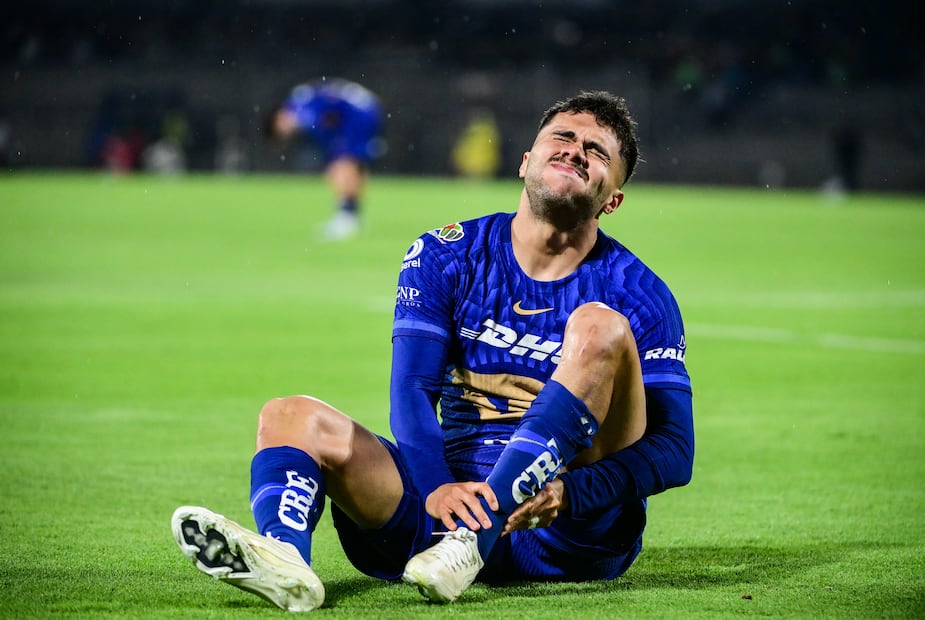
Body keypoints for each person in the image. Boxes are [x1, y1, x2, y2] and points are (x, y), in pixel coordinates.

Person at [172, 90, 694, 612]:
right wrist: (438, 488)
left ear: (613, 200)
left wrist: (572, 494)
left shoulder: (639, 292)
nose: (575, 151)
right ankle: (285, 560)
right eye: (562, 137)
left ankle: (476, 540)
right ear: (525, 161)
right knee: (287, 416)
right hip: (445, 509)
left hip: (565, 526)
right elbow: (412, 391)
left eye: (597, 152)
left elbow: (675, 450)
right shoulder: (446, 254)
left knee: (600, 327)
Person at [265, 78, 384, 240]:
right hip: (364, 108)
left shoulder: (298, 108)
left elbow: (322, 118)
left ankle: (347, 218)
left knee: (341, 164)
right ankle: (351, 216)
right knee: (350, 165)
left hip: (358, 113)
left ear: (278, 118)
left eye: (280, 131)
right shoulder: (300, 99)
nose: (286, 133)